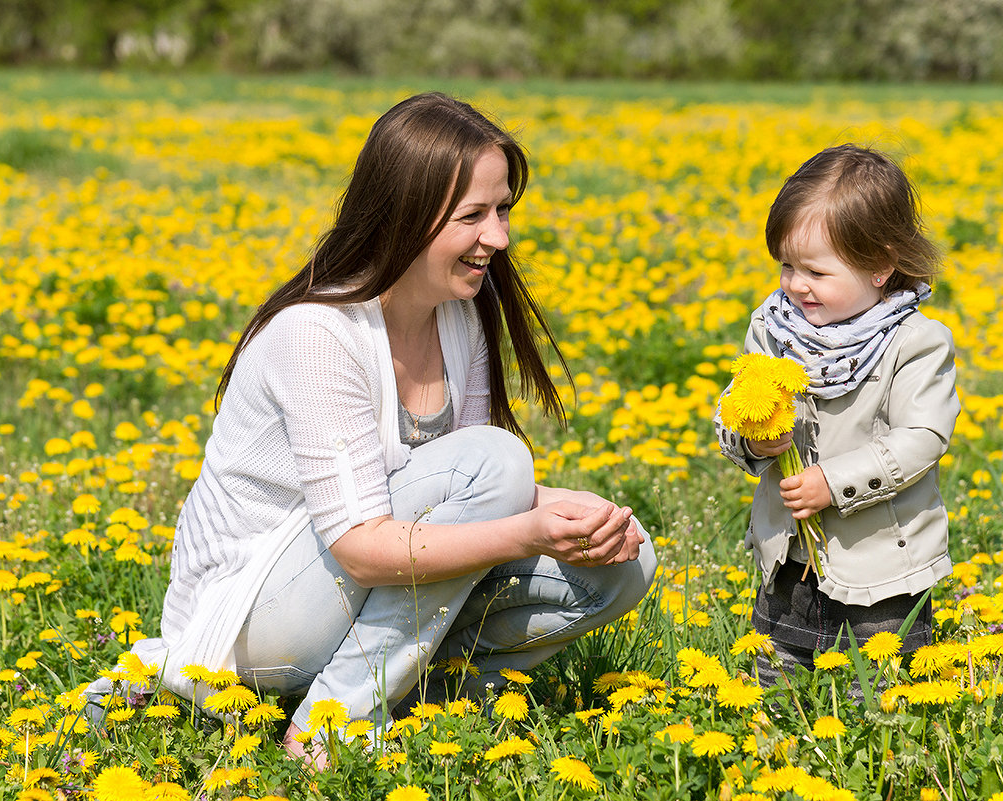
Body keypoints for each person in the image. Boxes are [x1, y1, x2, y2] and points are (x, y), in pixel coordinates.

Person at [91, 92, 658, 756]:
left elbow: (465, 498)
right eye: (474, 215)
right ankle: (330, 725)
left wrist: (571, 515)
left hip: (348, 593)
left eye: (503, 210)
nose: (499, 237)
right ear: (406, 217)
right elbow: (366, 543)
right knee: (502, 462)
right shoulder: (318, 333)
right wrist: (526, 526)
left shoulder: (460, 317)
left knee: (627, 559)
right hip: (253, 618)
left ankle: (434, 705)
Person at [715, 144, 959, 686]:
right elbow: (735, 402)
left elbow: (922, 437)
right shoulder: (774, 326)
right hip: (789, 563)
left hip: (881, 570)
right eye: (786, 265)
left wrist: (834, 480)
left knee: (882, 693)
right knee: (776, 688)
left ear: (879, 266)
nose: (796, 284)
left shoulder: (915, 342)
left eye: (816, 272)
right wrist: (753, 440)